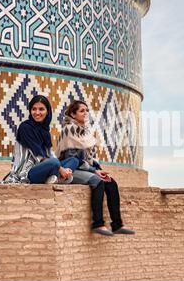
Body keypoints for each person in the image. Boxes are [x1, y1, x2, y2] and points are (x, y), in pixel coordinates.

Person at [56, 100, 135, 236]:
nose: (86, 113)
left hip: (84, 167)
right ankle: (97, 224)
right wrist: (94, 171)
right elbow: (73, 159)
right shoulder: (69, 130)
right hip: (69, 169)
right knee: (96, 181)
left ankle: (117, 224)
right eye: (82, 111)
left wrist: (99, 169)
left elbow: (89, 158)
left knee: (110, 182)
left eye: (87, 110)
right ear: (73, 115)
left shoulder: (85, 131)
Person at [1, 95, 79, 184]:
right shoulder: (25, 127)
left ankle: (55, 177)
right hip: (28, 172)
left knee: (73, 160)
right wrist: (60, 168)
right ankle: (58, 177)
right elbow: (38, 155)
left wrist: (63, 169)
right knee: (54, 163)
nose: (37, 113)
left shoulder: (45, 131)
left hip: (45, 167)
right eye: (34, 109)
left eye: (41, 109)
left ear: (47, 112)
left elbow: (50, 153)